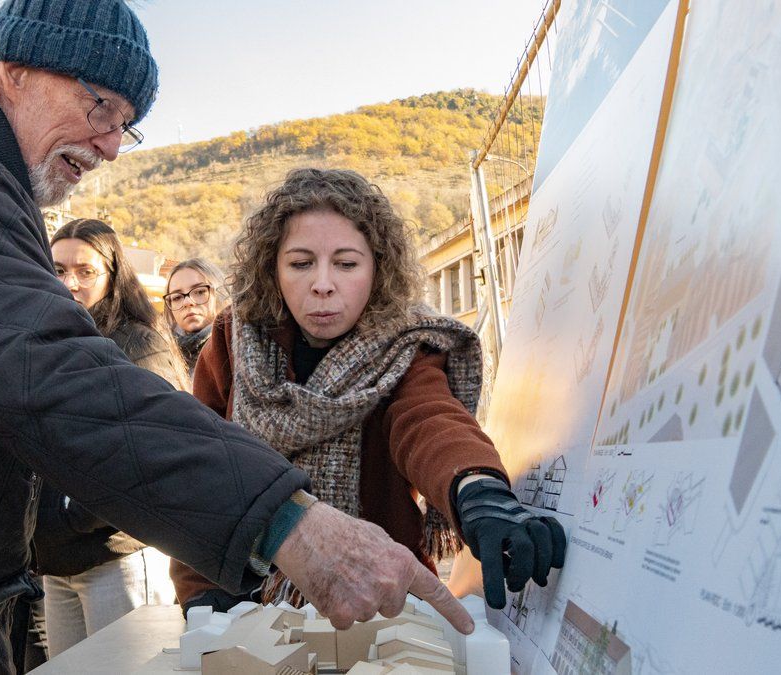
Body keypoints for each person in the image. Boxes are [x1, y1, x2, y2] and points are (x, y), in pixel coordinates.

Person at [0, 1, 476, 670]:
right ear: (14, 67)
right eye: (98, 105)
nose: (109, 144)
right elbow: (61, 380)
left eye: (125, 124)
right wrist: (288, 521)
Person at [170, 168, 567, 612]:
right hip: (243, 598)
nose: (323, 283)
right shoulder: (232, 338)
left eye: (346, 263)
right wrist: (201, 595)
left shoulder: (405, 341)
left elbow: (428, 417)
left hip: (382, 595)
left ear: (377, 269)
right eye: (301, 263)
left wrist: (479, 491)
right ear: (272, 270)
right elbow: (201, 463)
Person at [34, 218, 185, 656]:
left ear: (113, 276)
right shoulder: (50, 341)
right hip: (59, 560)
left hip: (118, 554)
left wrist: (71, 517)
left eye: (85, 272)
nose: (69, 283)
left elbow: (155, 452)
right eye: (58, 269)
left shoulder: (138, 345)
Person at [164, 257, 228, 375]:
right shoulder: (161, 356)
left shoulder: (235, 349)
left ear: (220, 293)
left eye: (199, 292)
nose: (187, 302)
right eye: (177, 297)